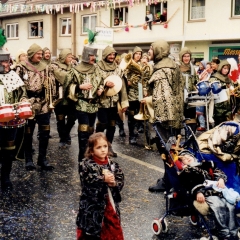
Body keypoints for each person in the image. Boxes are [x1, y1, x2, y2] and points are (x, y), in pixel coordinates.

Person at [147, 39, 184, 192]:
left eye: (151, 49)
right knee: (172, 150)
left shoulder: (162, 71)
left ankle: (169, 183)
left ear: (158, 50)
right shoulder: (173, 66)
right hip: (175, 116)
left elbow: (164, 98)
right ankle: (169, 179)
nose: (148, 52)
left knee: (166, 150)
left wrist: (159, 119)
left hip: (166, 118)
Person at [177, 150, 239, 240]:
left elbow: (218, 171)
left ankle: (233, 231)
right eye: (184, 159)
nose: (187, 158)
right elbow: (189, 184)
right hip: (206, 193)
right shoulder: (187, 171)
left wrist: (220, 179)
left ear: (193, 157)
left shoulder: (206, 164)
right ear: (183, 163)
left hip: (218, 191)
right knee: (219, 205)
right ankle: (224, 232)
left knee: (230, 206)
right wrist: (198, 191)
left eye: (188, 156)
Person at [15, 43, 56, 171]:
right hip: (28, 102)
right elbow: (16, 86)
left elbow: (52, 82)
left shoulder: (46, 67)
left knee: (45, 132)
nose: (41, 55)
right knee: (28, 132)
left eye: (41, 54)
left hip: (43, 102)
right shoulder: (21, 67)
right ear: (32, 54)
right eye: (38, 54)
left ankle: (42, 159)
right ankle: (28, 160)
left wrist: (52, 99)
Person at [76, 132, 124, 240]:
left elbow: (120, 179)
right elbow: (87, 180)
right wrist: (103, 179)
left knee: (113, 230)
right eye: (99, 147)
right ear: (92, 151)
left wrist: (114, 183)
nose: (103, 150)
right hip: (92, 207)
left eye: (105, 146)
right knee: (91, 233)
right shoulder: (86, 164)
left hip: (109, 205)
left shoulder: (113, 165)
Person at [64, 46, 101, 163]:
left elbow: (101, 81)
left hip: (94, 105)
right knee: (83, 133)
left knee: (91, 132)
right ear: (85, 56)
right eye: (91, 55)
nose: (93, 58)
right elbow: (67, 86)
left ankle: (90, 159)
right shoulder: (75, 70)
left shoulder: (96, 69)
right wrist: (80, 87)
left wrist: (101, 89)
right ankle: (82, 160)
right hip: (81, 104)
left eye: (94, 55)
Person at [0, 43, 28, 191]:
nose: (5, 64)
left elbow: (22, 92)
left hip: (11, 119)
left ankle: (5, 177)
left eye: (7, 61)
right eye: (1, 61)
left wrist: (23, 99)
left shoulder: (13, 76)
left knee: (9, 149)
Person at [96, 46, 129, 156]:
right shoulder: (98, 68)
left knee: (112, 125)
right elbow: (95, 82)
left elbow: (123, 87)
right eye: (109, 54)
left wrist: (124, 103)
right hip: (101, 102)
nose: (112, 56)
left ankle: (109, 149)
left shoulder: (118, 69)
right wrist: (104, 85)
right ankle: (97, 147)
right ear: (105, 55)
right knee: (102, 124)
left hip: (114, 103)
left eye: (113, 55)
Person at [50, 48, 76, 148]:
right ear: (63, 57)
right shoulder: (55, 65)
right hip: (59, 97)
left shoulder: (72, 66)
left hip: (70, 96)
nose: (70, 59)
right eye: (68, 57)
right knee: (60, 118)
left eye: (71, 57)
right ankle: (62, 138)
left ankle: (66, 133)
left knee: (72, 118)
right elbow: (64, 77)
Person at [125, 46, 144, 144]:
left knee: (139, 114)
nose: (138, 55)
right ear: (133, 54)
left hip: (140, 93)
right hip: (132, 94)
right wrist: (129, 81)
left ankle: (136, 130)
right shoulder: (129, 65)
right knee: (131, 116)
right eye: (137, 53)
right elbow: (125, 77)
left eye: (140, 54)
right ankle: (131, 136)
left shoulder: (142, 65)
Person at [179, 47, 199, 133]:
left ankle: (190, 137)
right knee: (178, 118)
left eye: (188, 56)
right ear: (181, 57)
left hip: (191, 96)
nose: (186, 58)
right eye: (184, 56)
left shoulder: (192, 68)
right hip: (179, 96)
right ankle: (177, 139)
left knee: (191, 118)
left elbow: (195, 81)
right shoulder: (177, 68)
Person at [209, 60, 233, 126]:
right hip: (218, 108)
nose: (226, 70)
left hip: (228, 108)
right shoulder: (214, 77)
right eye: (224, 68)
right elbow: (211, 89)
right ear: (221, 68)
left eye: (228, 69)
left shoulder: (228, 79)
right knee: (219, 127)